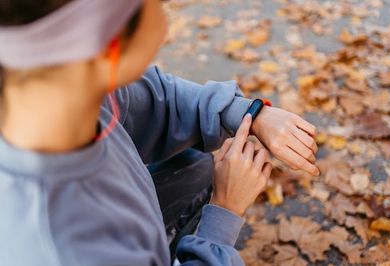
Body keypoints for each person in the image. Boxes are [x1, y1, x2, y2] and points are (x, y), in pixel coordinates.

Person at [0, 0, 319, 265]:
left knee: (194, 166)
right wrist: (224, 213)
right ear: (111, 47)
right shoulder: (69, 249)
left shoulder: (57, 90)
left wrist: (250, 113)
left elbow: (155, 99)